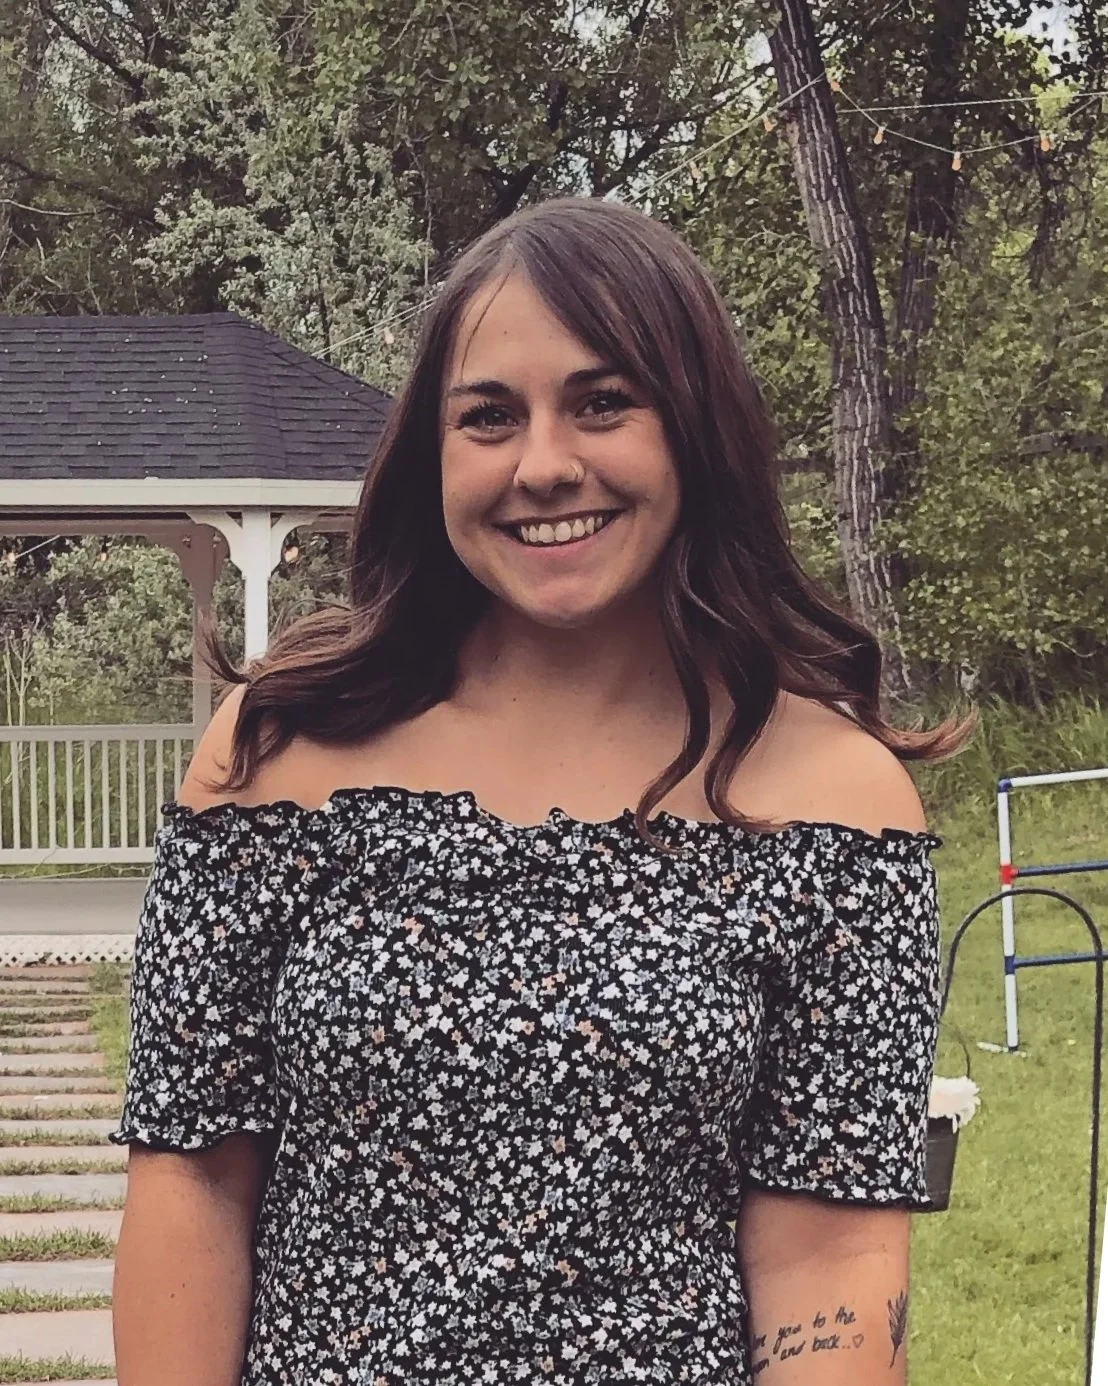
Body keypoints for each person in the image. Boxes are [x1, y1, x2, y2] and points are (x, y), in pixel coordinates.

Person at [108, 195, 974, 1386]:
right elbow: (189, 1179)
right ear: (432, 454)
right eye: (488, 417)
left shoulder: (836, 801)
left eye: (603, 402)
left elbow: (827, 1263)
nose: (545, 464)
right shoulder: (277, 752)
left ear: (696, 429)